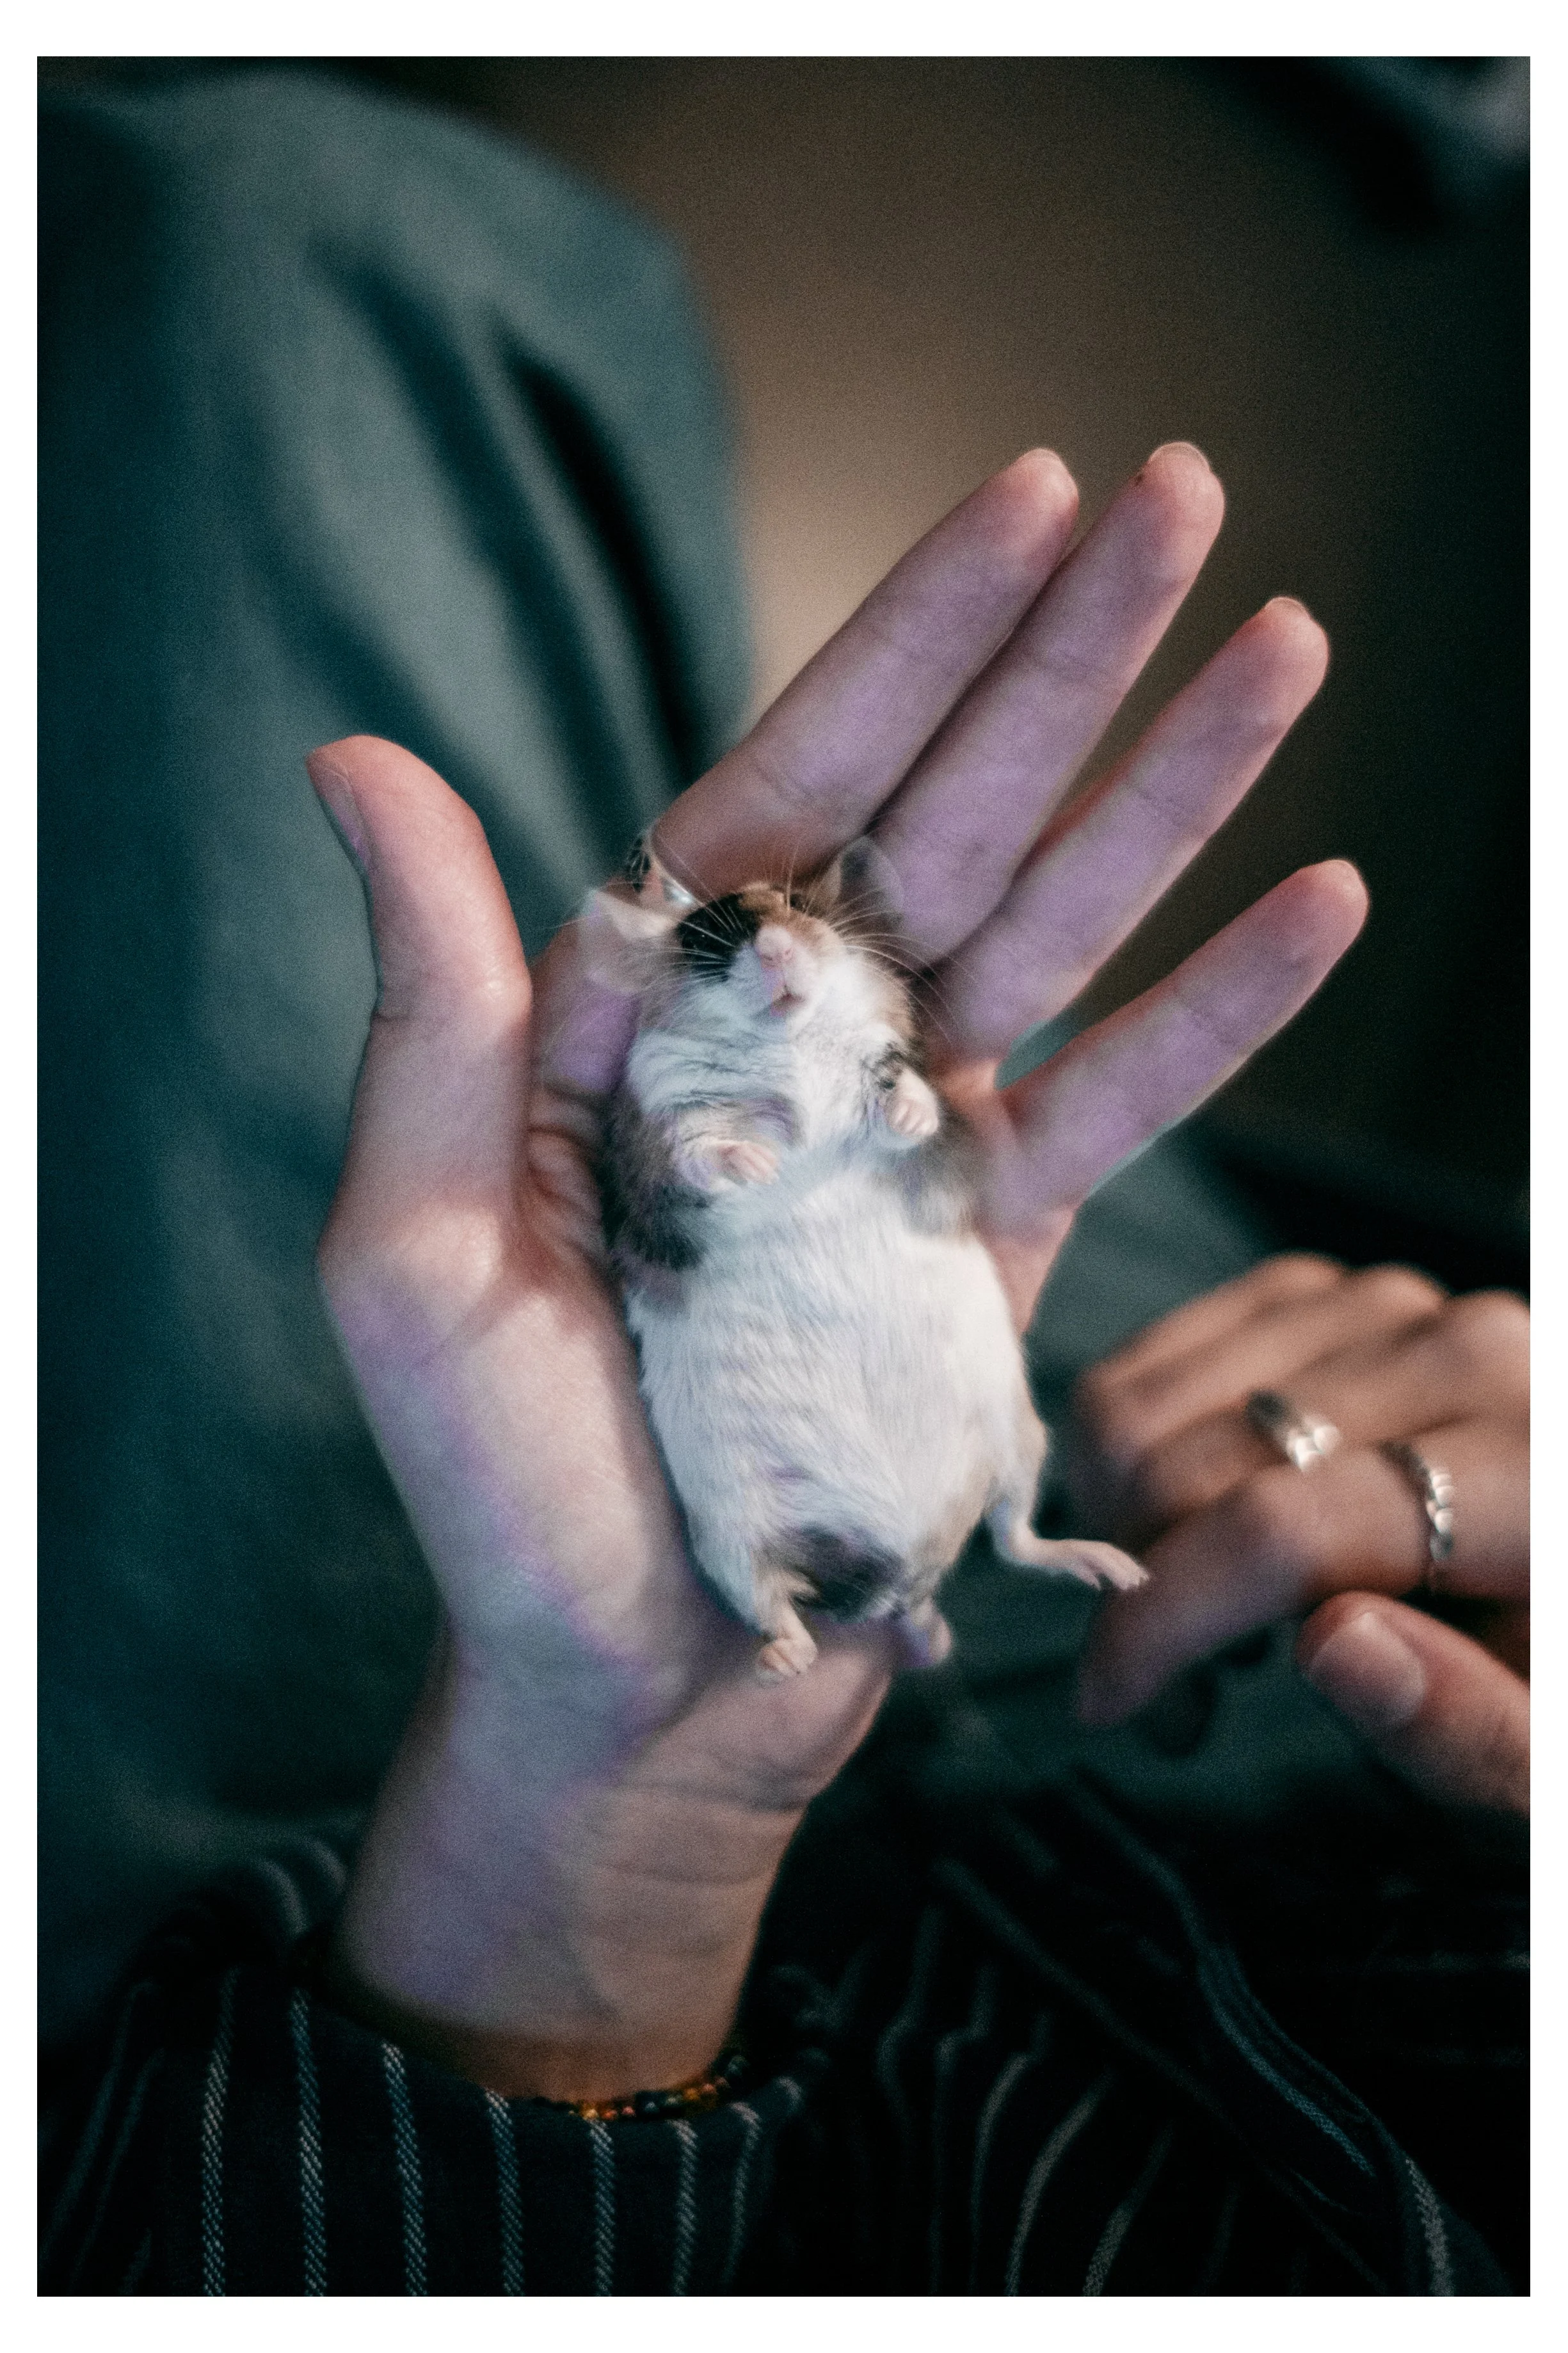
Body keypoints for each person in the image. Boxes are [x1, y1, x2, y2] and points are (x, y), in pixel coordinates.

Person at [39, 69, 1527, 2295]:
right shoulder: (842, 1074)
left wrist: (604, 1801)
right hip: (1235, 1610)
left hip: (602, 1878)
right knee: (343, 245)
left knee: (249, 248)